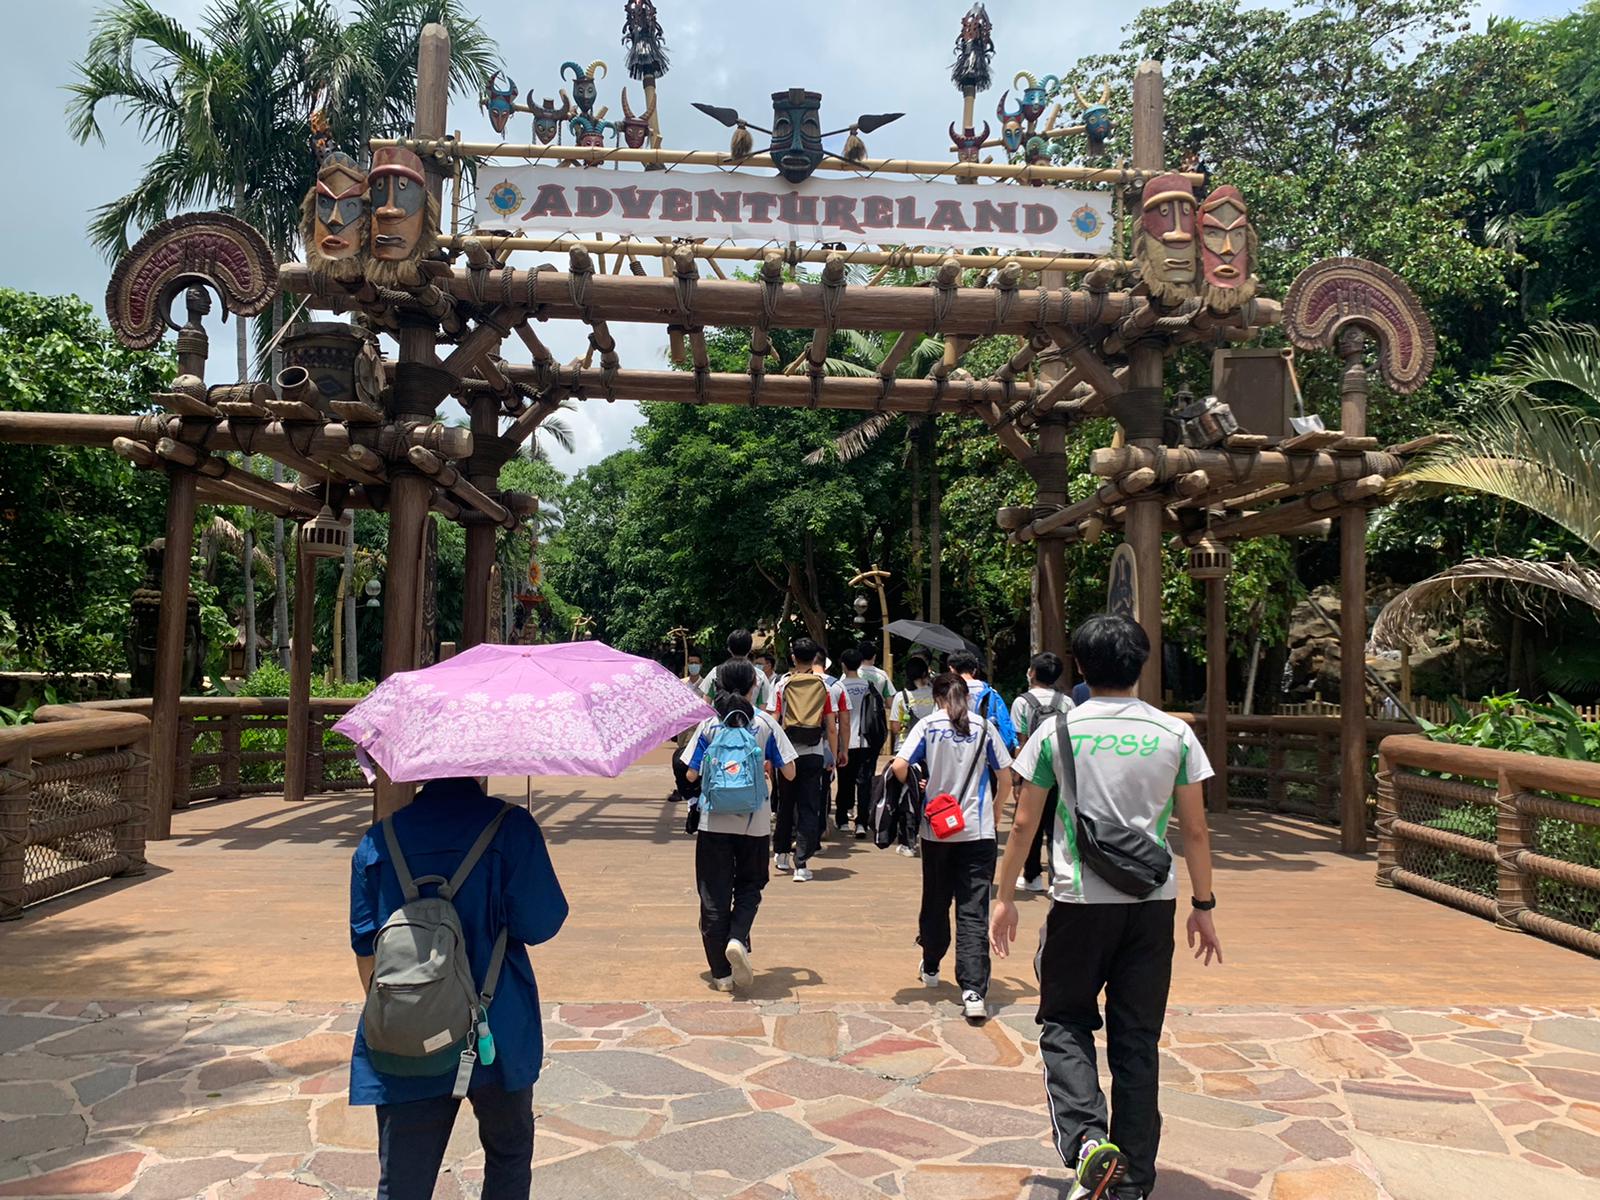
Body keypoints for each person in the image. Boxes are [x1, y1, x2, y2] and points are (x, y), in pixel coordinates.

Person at [992, 615, 1223, 1200]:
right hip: (1152, 902)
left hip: (1080, 900)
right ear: (1141, 662)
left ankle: (1088, 1143)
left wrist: (1003, 897)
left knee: (1064, 1020)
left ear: (1080, 666)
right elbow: (1196, 830)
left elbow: (1022, 823)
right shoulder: (1174, 734)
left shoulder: (1057, 732)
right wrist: (1203, 904)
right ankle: (1134, 1181)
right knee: (1137, 1040)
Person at [349, 777, 568, 1200]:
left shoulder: (378, 841)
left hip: (407, 1028)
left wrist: (412, 1013)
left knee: (403, 1181)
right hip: (496, 1025)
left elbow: (365, 946)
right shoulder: (511, 828)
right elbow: (540, 923)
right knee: (508, 1155)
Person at [892, 672, 1012, 1023]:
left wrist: (920, 784)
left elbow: (899, 766)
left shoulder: (928, 726)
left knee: (936, 900)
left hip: (937, 831)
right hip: (978, 831)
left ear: (937, 696)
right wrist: (995, 811)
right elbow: (1005, 777)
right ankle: (973, 991)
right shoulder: (984, 727)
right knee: (973, 909)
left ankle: (931, 963)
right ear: (966, 696)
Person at [680, 660, 798, 991]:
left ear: (717, 686)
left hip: (713, 821)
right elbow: (790, 773)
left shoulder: (710, 724)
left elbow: (690, 773)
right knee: (750, 885)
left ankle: (721, 974)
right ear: (754, 686)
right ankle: (737, 937)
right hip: (754, 823)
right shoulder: (764, 723)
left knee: (713, 895)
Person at [771, 637, 846, 883]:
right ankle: (801, 863)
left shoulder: (782, 684)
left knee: (785, 804)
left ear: (793, 657)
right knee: (809, 807)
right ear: (815, 658)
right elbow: (831, 726)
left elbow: (775, 719)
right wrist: (834, 754)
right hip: (814, 752)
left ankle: (781, 853)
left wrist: (770, 755)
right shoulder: (825, 686)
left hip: (787, 755)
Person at [1010, 652, 1074, 894]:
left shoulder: (1022, 702)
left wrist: (1017, 779)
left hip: (1034, 770)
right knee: (1058, 825)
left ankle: (1032, 875)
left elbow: (1021, 741)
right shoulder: (1066, 702)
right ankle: (1057, 879)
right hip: (1061, 771)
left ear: (1033, 673)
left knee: (1030, 824)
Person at [888, 656, 935, 857]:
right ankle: (930, 834)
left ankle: (908, 842)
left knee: (908, 794)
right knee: (929, 792)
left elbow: (895, 727)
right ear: (925, 672)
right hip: (931, 750)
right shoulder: (935, 694)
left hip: (906, 751)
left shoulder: (902, 697)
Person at [834, 646, 879, 838]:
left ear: (843, 665)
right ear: (860, 663)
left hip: (844, 741)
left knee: (845, 781)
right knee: (864, 783)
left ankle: (843, 819)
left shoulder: (838, 687)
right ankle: (861, 823)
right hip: (866, 741)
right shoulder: (869, 686)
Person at [702, 628, 775, 711]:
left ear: (729, 649)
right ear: (750, 649)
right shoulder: (760, 676)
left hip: (721, 718)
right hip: (749, 718)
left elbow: (706, 705)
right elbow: (763, 708)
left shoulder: (715, 672)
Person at [858, 640, 894, 706]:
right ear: (874, 656)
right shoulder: (882, 675)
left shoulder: (850, 673)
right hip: (875, 711)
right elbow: (890, 702)